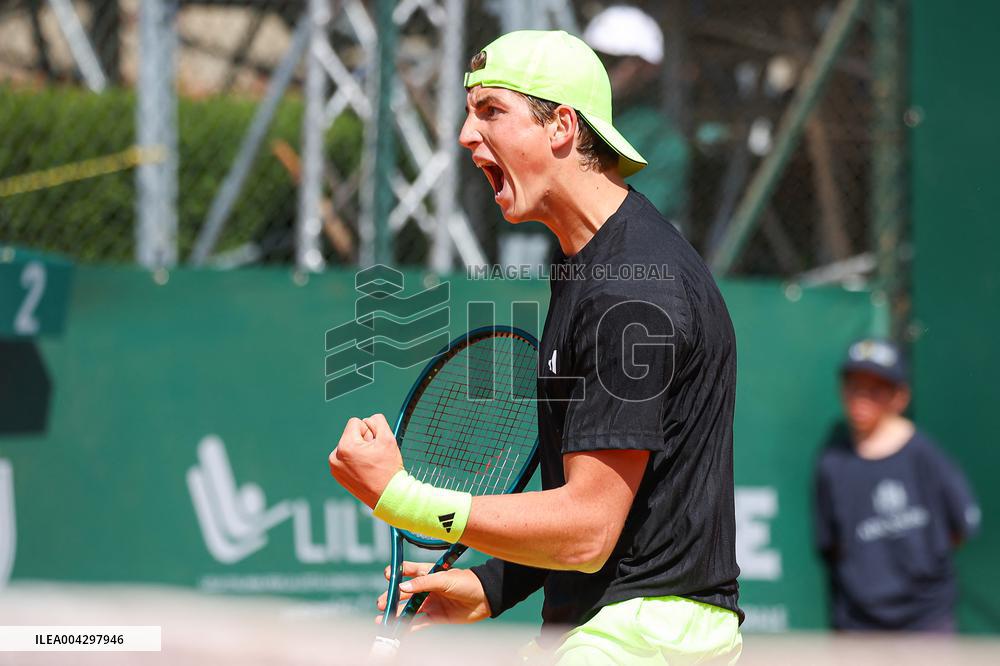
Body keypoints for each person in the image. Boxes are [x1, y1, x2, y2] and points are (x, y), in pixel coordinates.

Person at [329, 30, 742, 664]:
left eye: (491, 111)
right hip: (615, 626)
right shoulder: (593, 265)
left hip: (643, 640)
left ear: (562, 128)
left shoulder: (631, 294)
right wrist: (494, 583)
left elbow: (589, 529)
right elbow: (635, 509)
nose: (467, 136)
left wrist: (405, 498)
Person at [814, 338, 980, 632]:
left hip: (926, 622)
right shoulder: (833, 459)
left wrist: (921, 570)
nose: (860, 398)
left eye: (874, 390)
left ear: (899, 397)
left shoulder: (924, 455)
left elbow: (961, 526)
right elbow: (831, 544)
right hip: (859, 625)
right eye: (853, 386)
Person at [583, 5, 690, 226]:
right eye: (597, 56)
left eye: (616, 60)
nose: (603, 66)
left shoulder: (661, 140)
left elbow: (630, 220)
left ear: (647, 68)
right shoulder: (569, 118)